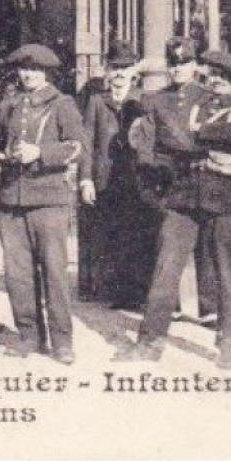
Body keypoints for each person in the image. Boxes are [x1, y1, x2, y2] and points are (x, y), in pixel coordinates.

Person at [118, 49, 231, 370]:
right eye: (214, 77)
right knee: (166, 266)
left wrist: (197, 135)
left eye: (226, 79)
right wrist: (197, 140)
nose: (218, 82)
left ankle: (228, 343)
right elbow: (167, 141)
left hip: (222, 201)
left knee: (225, 271)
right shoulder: (189, 106)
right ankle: (150, 341)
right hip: (183, 198)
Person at [0, 44, 88, 365]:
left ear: (46, 72)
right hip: (12, 201)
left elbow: (77, 147)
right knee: (17, 274)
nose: (28, 75)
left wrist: (42, 153)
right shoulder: (10, 106)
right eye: (23, 70)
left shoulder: (63, 104)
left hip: (49, 201)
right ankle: (29, 336)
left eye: (34, 70)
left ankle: (61, 341)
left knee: (55, 274)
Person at [134, 37, 219, 327]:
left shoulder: (209, 97)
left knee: (209, 245)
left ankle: (212, 310)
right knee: (168, 250)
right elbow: (146, 141)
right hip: (173, 181)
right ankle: (165, 312)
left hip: (206, 177)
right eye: (173, 63)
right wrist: (154, 171)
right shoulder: (156, 100)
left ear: (194, 65)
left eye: (184, 63)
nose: (178, 68)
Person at [79, 42, 148, 306]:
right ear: (107, 71)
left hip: (135, 178)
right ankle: (109, 291)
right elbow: (86, 142)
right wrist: (86, 179)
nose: (119, 73)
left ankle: (136, 293)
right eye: (114, 67)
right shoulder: (97, 102)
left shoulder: (142, 100)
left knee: (136, 234)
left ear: (134, 71)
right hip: (105, 179)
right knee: (108, 234)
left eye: (125, 67)